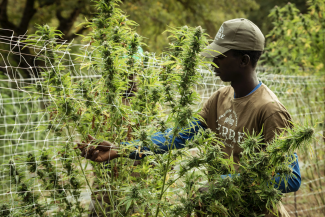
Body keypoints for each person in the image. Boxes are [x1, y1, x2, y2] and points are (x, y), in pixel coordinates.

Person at [78, 18, 301, 216]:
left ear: (244, 60)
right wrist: (121, 149)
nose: (212, 61)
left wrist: (227, 182)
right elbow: (176, 136)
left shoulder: (270, 110)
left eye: (220, 56)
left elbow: (291, 178)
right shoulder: (219, 99)